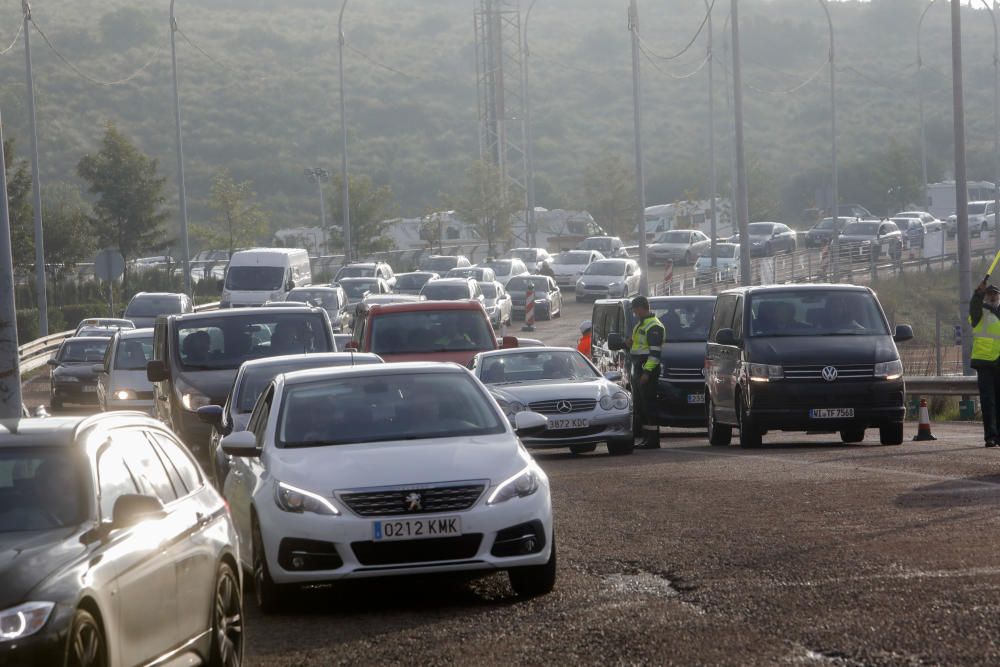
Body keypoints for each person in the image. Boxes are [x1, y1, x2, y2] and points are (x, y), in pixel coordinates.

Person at [626, 296, 666, 449]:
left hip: (646, 368)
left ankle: (653, 439)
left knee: (649, 404)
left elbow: (655, 354)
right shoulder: (641, 324)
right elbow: (638, 346)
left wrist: (647, 373)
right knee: (641, 405)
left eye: (636, 310)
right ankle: (646, 437)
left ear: (642, 307)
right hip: (639, 367)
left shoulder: (654, 326)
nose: (635, 313)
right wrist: (628, 343)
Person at [970, 280, 1000, 447]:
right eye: (990, 295)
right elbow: (974, 307)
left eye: (996, 294)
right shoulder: (979, 313)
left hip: (999, 362)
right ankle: (990, 436)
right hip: (985, 362)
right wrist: (977, 294)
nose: (993, 297)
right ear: (985, 297)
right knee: (988, 402)